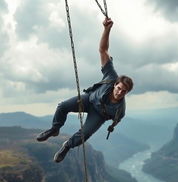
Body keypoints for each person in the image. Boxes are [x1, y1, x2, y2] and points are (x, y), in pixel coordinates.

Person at [36, 18, 133, 163]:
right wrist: (107, 29)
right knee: (62, 106)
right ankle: (55, 129)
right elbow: (103, 50)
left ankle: (67, 146)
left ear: (126, 93)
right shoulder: (111, 76)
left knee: (85, 134)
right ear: (115, 84)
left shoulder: (120, 110)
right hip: (90, 99)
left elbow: (115, 121)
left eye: (124, 91)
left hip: (99, 114)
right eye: (119, 88)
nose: (120, 92)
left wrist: (109, 125)